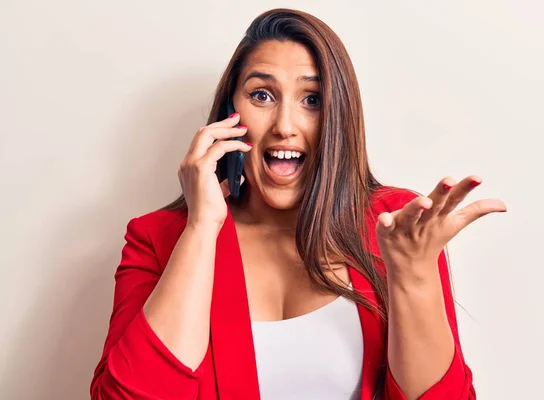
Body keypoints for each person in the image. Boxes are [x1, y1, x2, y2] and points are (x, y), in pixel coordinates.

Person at [90, 8, 505, 400]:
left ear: (339, 116)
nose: (285, 126)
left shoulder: (395, 223)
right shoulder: (158, 238)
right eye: (262, 95)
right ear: (229, 114)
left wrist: (413, 276)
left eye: (312, 100)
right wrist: (200, 229)